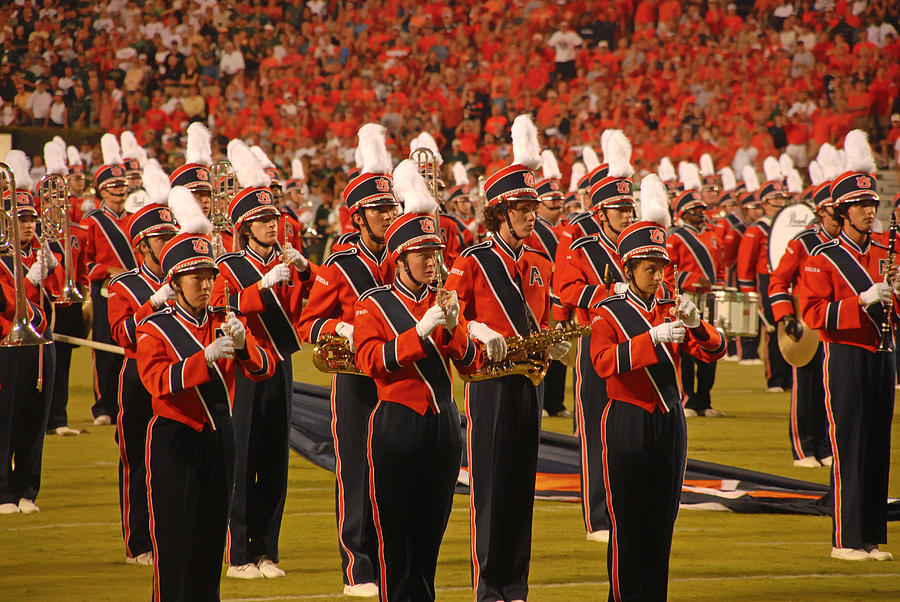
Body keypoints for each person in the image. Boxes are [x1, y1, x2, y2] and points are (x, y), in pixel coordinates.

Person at [444, 115, 568, 601]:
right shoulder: (472, 260)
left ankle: (516, 582)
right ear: (499, 212)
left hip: (528, 382)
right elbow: (449, 313)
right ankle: (489, 585)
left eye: (532, 207)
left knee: (521, 487)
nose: (530, 215)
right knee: (491, 488)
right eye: (521, 208)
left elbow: (540, 316)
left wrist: (553, 342)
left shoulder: (539, 262)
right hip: (489, 384)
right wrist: (474, 327)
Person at [589, 174, 726, 601]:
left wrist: (695, 323)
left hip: (670, 421)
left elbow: (715, 351)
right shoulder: (607, 310)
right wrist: (651, 340)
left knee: (663, 521)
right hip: (627, 420)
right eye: (649, 267)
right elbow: (602, 363)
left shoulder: (672, 305)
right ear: (628, 268)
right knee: (628, 523)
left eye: (661, 266)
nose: (658, 274)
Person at [354, 160, 481, 601]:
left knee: (430, 536)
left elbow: (467, 363)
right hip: (397, 422)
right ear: (399, 258)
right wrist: (419, 332)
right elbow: (372, 359)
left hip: (444, 425)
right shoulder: (374, 303)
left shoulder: (443, 300)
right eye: (424, 254)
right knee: (397, 538)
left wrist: (455, 325)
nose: (434, 261)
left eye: (437, 253)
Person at [137, 225, 276, 601]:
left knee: (211, 540)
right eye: (195, 277)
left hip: (220, 438)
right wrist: (204, 358)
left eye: (210, 276)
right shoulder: (155, 327)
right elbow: (156, 380)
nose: (205, 284)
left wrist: (245, 345)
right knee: (175, 540)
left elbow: (264, 370)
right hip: (175, 438)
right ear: (175, 282)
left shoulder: (224, 320)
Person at [296, 124, 399, 598]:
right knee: (355, 473)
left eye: (391, 206)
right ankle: (357, 568)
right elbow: (307, 324)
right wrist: (339, 327)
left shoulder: (401, 260)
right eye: (380, 209)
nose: (388, 215)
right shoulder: (338, 263)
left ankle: (389, 560)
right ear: (358, 216)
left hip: (398, 380)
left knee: (395, 473)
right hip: (355, 383)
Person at [213, 140, 314, 580]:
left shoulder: (287, 261)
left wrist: (306, 273)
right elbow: (217, 308)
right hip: (246, 368)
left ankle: (267, 550)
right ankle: (238, 554)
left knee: (276, 458)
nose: (271, 225)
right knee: (244, 457)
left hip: (282, 365)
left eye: (273, 218)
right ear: (243, 227)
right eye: (261, 220)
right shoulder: (230, 265)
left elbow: (310, 309)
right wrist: (261, 287)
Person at [799, 130, 895, 562]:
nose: (869, 212)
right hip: (846, 355)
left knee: (878, 445)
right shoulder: (821, 256)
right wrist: (860, 301)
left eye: (872, 204)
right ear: (843, 210)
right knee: (850, 443)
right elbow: (814, 314)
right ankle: (845, 539)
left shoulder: (885, 251)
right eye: (860, 205)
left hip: (883, 353)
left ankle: (871, 537)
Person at [556, 132, 636, 543]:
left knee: (633, 430)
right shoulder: (582, 245)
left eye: (630, 206)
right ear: (601, 212)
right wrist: (608, 293)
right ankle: (598, 517)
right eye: (619, 209)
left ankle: (627, 509)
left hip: (637, 346)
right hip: (597, 342)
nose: (627, 214)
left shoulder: (642, 243)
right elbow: (565, 290)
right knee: (595, 432)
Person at [107, 188, 179, 564]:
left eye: (172, 236)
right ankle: (139, 542)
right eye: (161, 239)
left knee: (176, 456)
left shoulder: (186, 278)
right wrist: (152, 303)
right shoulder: (124, 285)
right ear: (141, 246)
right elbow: (121, 334)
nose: (169, 245)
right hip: (138, 374)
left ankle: (171, 535)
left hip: (178, 374)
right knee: (137, 457)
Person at [0, 153, 62, 515]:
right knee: (4, 420)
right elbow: (8, 305)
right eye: (21, 219)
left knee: (34, 420)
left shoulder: (38, 253)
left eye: (32, 219)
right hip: (8, 347)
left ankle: (27, 487)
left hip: (42, 345)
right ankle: (3, 491)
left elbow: (59, 303)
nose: (28, 226)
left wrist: (53, 270)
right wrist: (29, 281)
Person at [768, 161, 840, 467]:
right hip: (808, 325)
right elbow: (778, 281)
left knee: (832, 390)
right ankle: (803, 448)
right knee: (807, 387)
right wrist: (786, 317)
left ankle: (825, 446)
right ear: (822, 211)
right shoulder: (803, 242)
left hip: (836, 324)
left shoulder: (846, 245)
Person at [81, 134, 137, 425]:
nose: (119, 191)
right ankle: (103, 406)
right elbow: (84, 264)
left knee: (131, 347)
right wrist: (106, 270)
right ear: (102, 190)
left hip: (133, 292)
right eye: (113, 187)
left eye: (122, 186)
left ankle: (126, 402)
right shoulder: (91, 221)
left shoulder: (134, 219)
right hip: (104, 293)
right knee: (103, 348)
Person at [667, 164, 725, 417]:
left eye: (702, 208)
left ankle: (705, 399)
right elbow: (669, 271)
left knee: (711, 344)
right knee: (688, 348)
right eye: (694, 210)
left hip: (709, 298)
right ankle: (688, 398)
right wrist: (692, 280)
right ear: (682, 213)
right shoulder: (676, 236)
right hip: (688, 297)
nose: (700, 213)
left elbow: (719, 265)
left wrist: (720, 283)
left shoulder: (712, 233)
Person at [737, 159, 792, 392]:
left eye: (783, 199)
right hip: (766, 281)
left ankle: (790, 376)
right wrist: (749, 291)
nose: (780, 203)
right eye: (775, 200)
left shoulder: (790, 225)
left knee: (791, 327)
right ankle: (775, 378)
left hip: (788, 280)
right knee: (772, 331)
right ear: (764, 204)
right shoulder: (757, 228)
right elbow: (745, 263)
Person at [527, 149, 572, 419]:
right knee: (539, 348)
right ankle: (542, 401)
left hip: (562, 297)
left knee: (561, 350)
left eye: (559, 201)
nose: (557, 205)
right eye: (551, 202)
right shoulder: (532, 227)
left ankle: (555, 403)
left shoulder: (566, 227)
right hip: (540, 294)